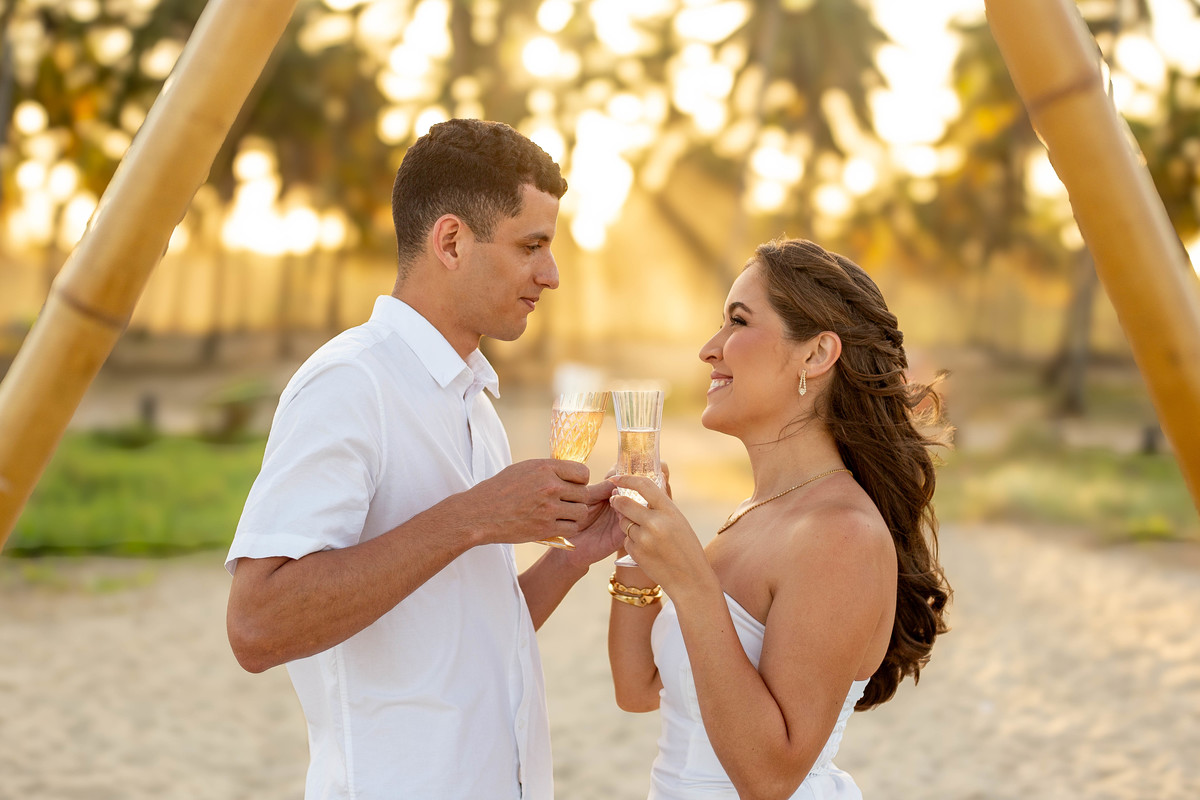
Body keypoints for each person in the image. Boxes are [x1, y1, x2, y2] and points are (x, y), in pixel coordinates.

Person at [225, 119, 623, 800]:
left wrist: (572, 557)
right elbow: (256, 626)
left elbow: (472, 629)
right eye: (532, 245)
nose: (550, 275)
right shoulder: (351, 384)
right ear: (450, 241)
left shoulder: (474, 404)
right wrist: (475, 516)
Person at [606, 238, 952, 799]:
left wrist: (692, 581)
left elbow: (770, 778)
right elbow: (639, 686)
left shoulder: (842, 534)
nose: (709, 349)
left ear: (816, 355)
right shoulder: (751, 516)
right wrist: (636, 551)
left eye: (738, 322)